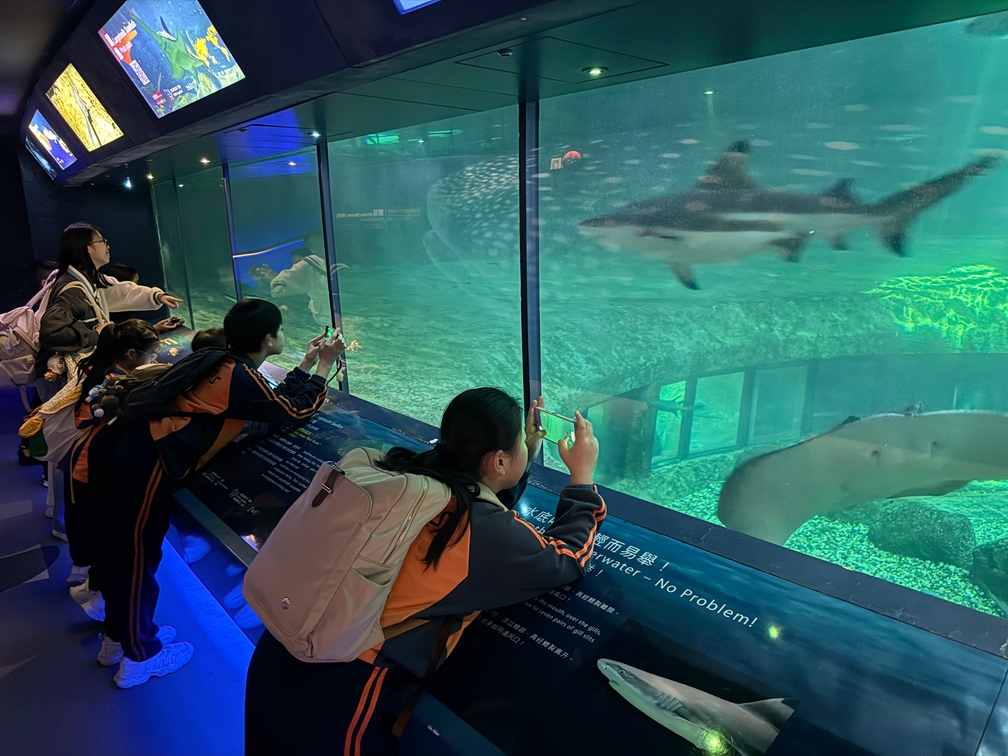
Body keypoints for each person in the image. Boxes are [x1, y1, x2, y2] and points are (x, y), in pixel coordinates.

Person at [244, 390, 605, 755]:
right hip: (339, 682)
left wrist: (521, 450)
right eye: (518, 448)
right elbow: (567, 558)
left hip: (280, 646)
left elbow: (482, 503)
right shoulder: (477, 528)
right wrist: (582, 476)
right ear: (498, 460)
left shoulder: (409, 472)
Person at [102, 299, 343, 688]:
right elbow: (294, 412)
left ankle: (118, 638)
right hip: (150, 463)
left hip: (139, 452)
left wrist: (306, 364)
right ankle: (139, 655)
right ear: (269, 340)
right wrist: (325, 366)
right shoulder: (240, 378)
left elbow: (272, 401)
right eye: (280, 330)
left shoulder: (221, 362)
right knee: (135, 557)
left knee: (130, 552)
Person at [36, 223, 181, 539]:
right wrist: (96, 335)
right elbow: (52, 331)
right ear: (87, 248)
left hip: (71, 376)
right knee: (66, 448)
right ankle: (64, 523)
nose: (107, 245)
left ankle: (58, 513)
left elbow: (118, 291)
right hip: (62, 380)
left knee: (66, 446)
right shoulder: (73, 289)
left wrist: (156, 296)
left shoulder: (86, 280)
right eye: (101, 241)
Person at [65, 320, 161, 610]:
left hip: (85, 462)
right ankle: (100, 601)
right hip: (95, 467)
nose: (154, 361)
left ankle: (92, 585)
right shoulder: (119, 386)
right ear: (131, 354)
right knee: (107, 537)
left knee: (98, 532)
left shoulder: (105, 372)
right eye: (152, 355)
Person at [250, 227, 337, 329]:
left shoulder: (319, 279)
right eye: (294, 264)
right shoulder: (289, 281)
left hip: (313, 326)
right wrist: (261, 282)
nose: (296, 267)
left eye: (299, 263)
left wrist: (275, 277)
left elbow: (299, 298)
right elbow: (270, 297)